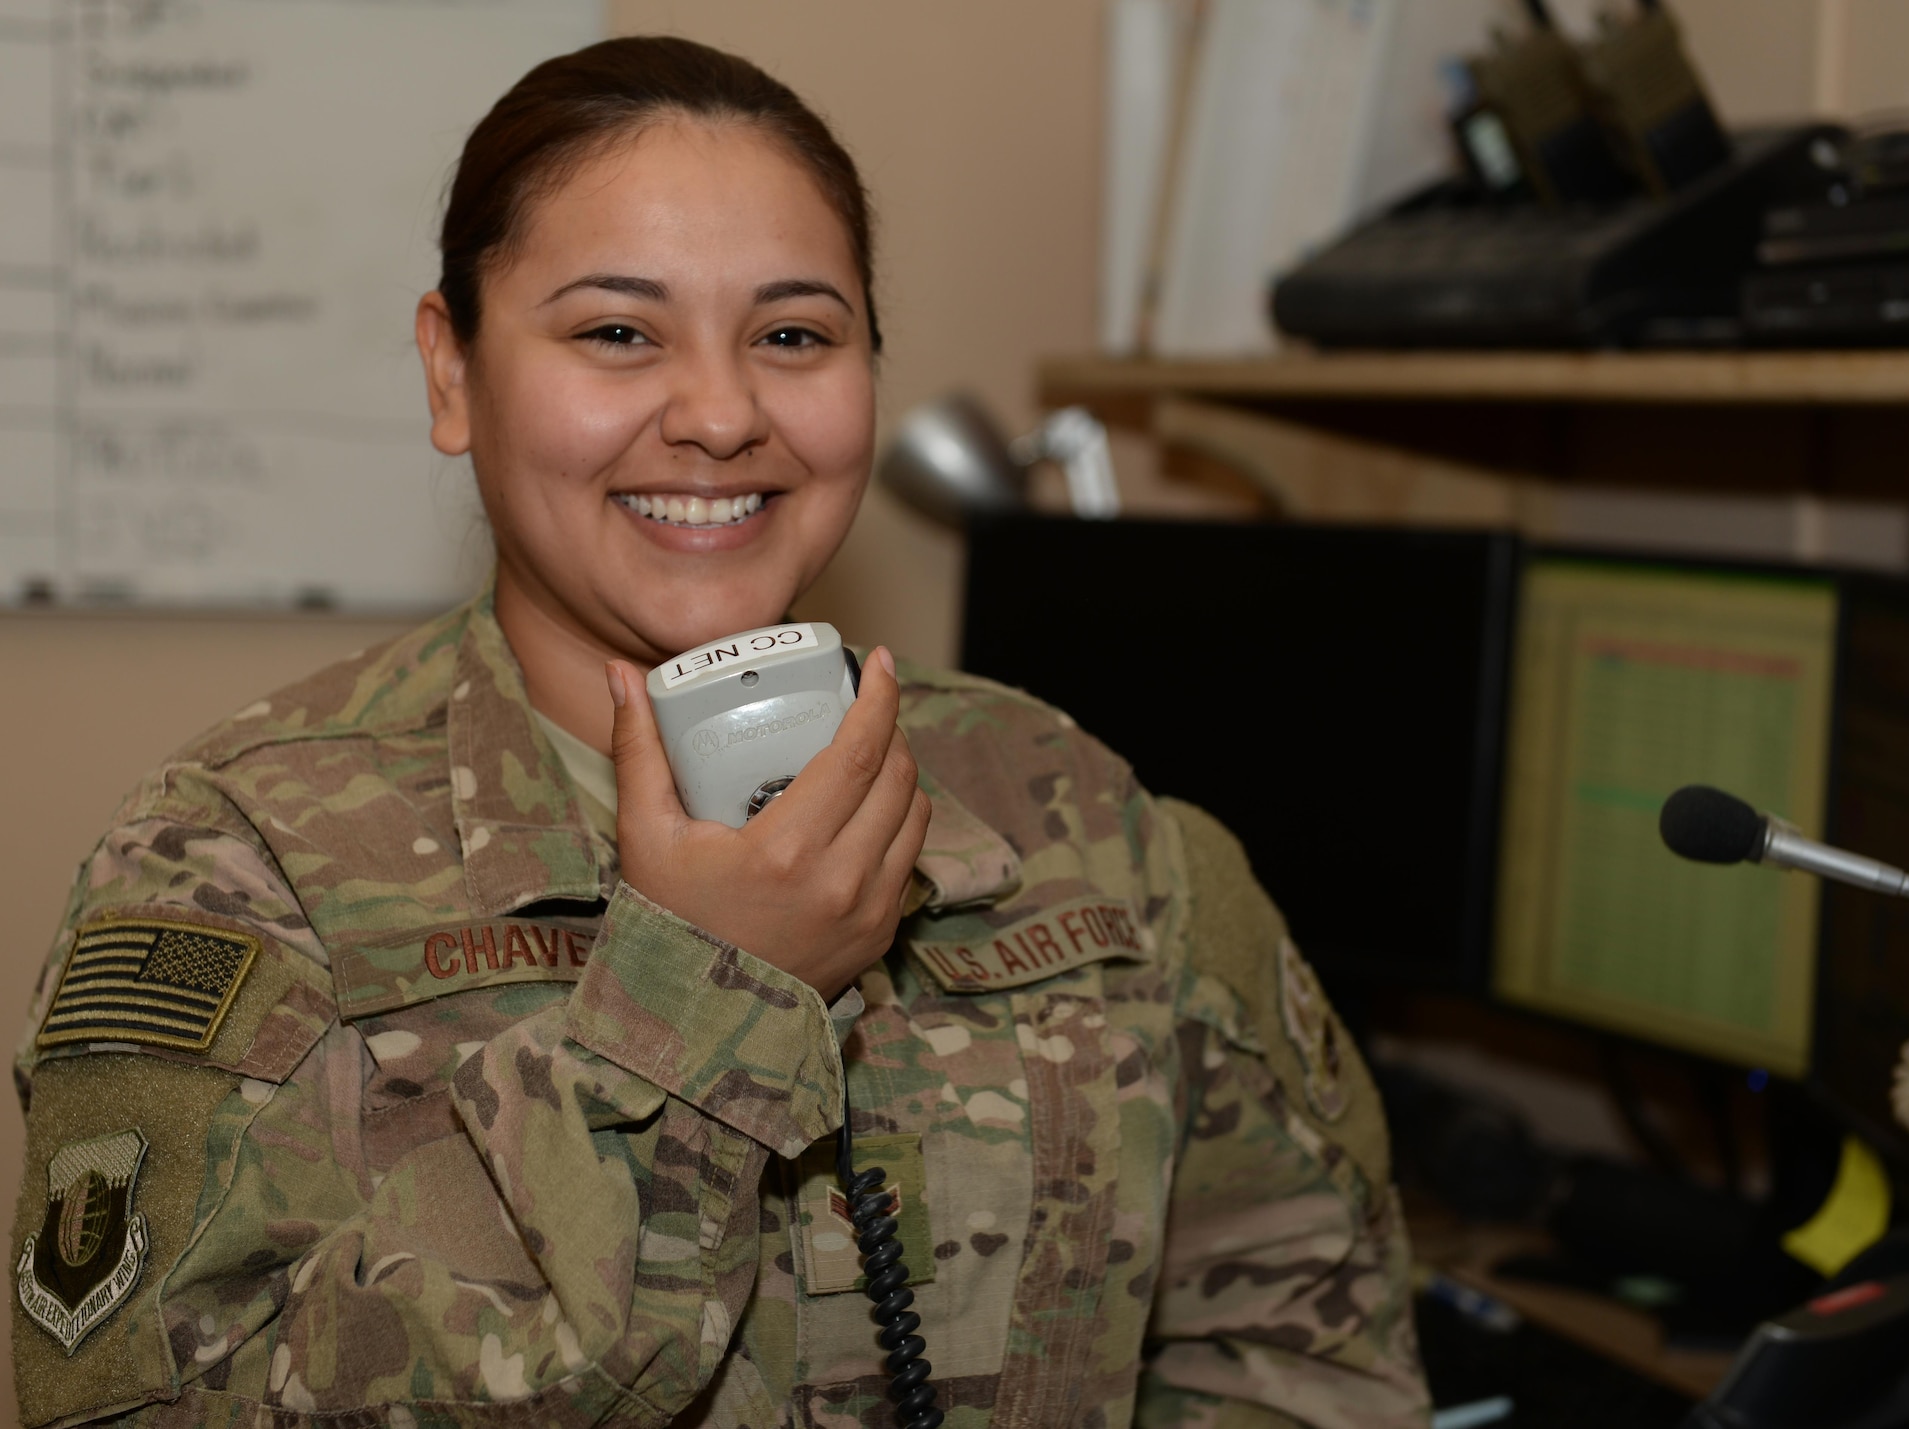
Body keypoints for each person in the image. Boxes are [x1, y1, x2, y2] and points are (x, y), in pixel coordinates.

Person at [11, 36, 1427, 1429]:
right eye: (617, 332)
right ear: (453, 372)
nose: (722, 414)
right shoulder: (233, 866)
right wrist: (697, 1007)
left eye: (795, 335)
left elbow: (1302, 1336)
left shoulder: (1081, 814)